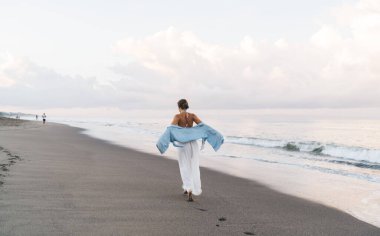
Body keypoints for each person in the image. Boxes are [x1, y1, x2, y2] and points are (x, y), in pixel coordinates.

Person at [171, 99, 202, 202]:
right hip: (193, 143)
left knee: (184, 165)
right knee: (193, 165)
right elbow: (202, 126)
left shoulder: (177, 116)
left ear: (179, 107)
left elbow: (171, 129)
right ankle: (187, 187)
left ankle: (189, 189)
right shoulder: (193, 116)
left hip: (183, 143)